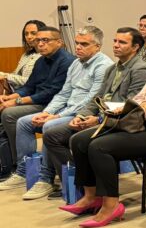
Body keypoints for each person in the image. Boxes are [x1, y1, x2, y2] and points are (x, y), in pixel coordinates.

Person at [62, 37, 146, 227]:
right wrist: (145, 106)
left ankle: (111, 205)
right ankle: (91, 196)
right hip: (142, 124)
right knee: (79, 140)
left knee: (99, 147)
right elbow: (137, 100)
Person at [0, 26, 113, 197]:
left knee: (49, 126)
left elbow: (91, 100)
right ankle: (23, 171)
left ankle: (46, 179)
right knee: (24, 122)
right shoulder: (76, 63)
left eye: (84, 44)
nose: (78, 47)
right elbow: (63, 93)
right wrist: (47, 112)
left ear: (97, 46)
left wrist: (56, 116)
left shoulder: (103, 66)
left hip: (85, 115)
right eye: (77, 43)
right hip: (66, 109)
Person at [40, 27, 146, 201]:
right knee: (52, 135)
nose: (116, 45)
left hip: (120, 123)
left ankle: (87, 189)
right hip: (101, 118)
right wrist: (81, 115)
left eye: (122, 42)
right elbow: (96, 98)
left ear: (135, 47)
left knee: (79, 140)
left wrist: (98, 119)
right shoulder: (113, 68)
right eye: (115, 41)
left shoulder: (140, 69)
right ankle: (77, 186)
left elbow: (130, 106)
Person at [0, 26, 73, 179]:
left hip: (53, 104)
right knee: (5, 108)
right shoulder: (40, 61)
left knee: (9, 114)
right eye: (38, 40)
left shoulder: (67, 61)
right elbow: (29, 86)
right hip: (39, 101)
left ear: (59, 42)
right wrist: (11, 97)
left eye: (45, 40)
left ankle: (21, 166)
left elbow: (52, 93)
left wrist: (17, 101)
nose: (40, 44)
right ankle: (13, 163)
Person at [0, 20, 43, 89]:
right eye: (26, 34)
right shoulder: (26, 55)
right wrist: (3, 75)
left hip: (33, 92)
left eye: (33, 33)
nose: (29, 37)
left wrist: (6, 76)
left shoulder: (46, 56)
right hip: (18, 90)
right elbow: (15, 74)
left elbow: (32, 81)